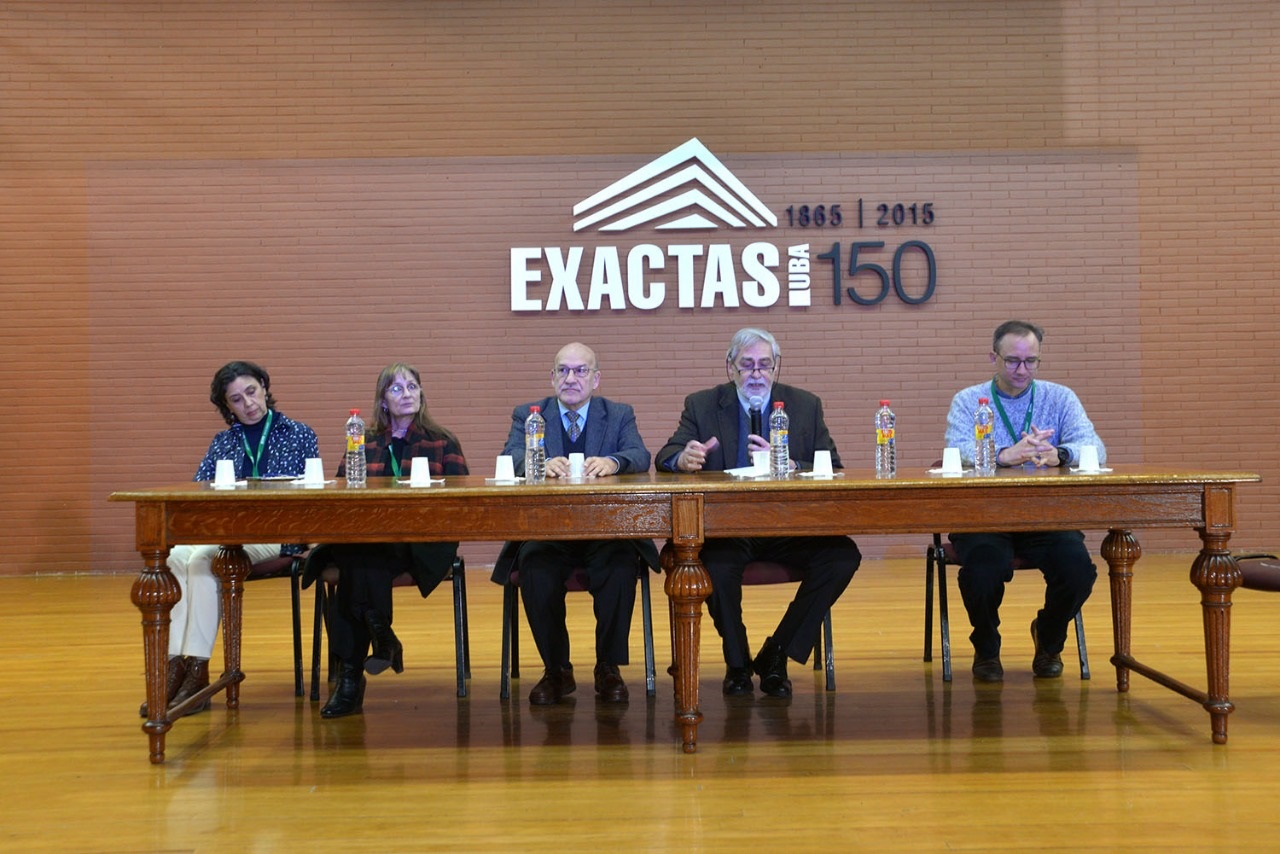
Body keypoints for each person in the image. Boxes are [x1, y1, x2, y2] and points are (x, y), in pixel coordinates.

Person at [656, 327, 861, 698]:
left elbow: (832, 465)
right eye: (747, 365)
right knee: (712, 565)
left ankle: (777, 652)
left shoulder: (804, 405)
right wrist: (682, 458)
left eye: (765, 366)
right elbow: (666, 455)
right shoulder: (702, 405)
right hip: (727, 528)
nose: (756, 374)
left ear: (776, 366)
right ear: (731, 367)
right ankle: (737, 663)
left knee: (842, 556)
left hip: (790, 527)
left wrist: (787, 462)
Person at [142, 360, 319, 718]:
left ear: (265, 387)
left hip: (274, 535)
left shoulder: (300, 434)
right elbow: (196, 494)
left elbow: (311, 498)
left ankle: (198, 671)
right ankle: (177, 665)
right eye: (236, 400)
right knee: (176, 558)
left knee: (206, 560)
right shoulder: (222, 442)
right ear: (228, 407)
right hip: (224, 533)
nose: (248, 403)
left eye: (251, 392)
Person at [491, 342, 658, 705]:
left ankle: (608, 668)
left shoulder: (617, 414)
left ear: (595, 379)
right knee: (533, 567)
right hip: (549, 532)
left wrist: (614, 462)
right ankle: (557, 670)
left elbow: (639, 455)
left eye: (580, 370)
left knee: (619, 565)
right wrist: (537, 461)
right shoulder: (528, 415)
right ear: (552, 377)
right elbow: (511, 455)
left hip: (605, 530)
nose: (571, 378)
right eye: (563, 371)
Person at [944, 320, 1105, 682]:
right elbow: (956, 450)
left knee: (1078, 571)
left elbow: (1095, 448)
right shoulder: (969, 400)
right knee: (983, 571)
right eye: (1013, 361)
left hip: (1044, 514)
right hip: (983, 517)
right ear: (993, 358)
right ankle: (986, 647)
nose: (1022, 370)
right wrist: (1004, 455)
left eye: (1031, 361)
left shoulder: (1059, 397)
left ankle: (1048, 638)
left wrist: (1059, 453)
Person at [304, 363, 468, 718]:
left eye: (412, 386)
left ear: (421, 394)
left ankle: (352, 680)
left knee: (357, 563)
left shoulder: (442, 440)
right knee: (362, 556)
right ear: (382, 401)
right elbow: (340, 495)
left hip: (422, 542)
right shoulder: (363, 442)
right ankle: (380, 640)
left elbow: (461, 504)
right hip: (370, 541)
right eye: (396, 389)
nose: (406, 394)